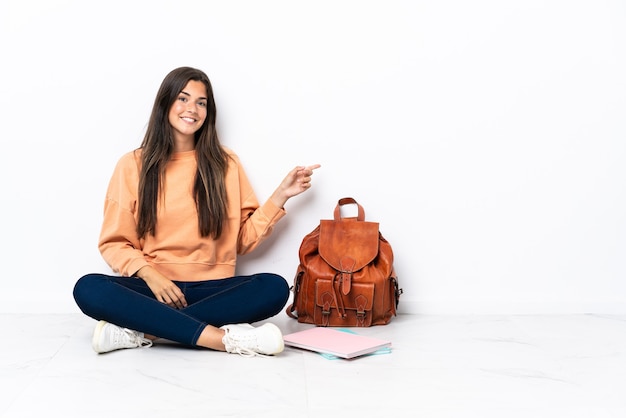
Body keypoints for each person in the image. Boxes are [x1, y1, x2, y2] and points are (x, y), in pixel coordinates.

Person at [73, 66, 320, 357]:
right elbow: (114, 243)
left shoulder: (225, 163)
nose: (193, 109)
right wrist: (152, 276)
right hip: (154, 289)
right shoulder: (132, 165)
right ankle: (224, 340)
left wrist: (281, 195)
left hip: (214, 289)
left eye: (201, 102)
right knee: (88, 288)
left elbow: (243, 241)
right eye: (183, 98)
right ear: (165, 103)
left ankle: (143, 332)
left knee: (274, 287)